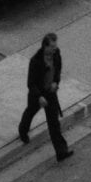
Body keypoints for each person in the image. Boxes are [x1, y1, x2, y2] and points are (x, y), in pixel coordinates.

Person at [19, 31, 71, 161]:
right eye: (52, 47)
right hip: (38, 95)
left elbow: (58, 69)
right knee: (30, 112)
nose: (54, 49)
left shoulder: (56, 54)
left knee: (54, 124)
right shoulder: (35, 61)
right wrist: (39, 97)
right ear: (45, 46)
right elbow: (30, 83)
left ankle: (61, 152)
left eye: (55, 46)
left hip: (50, 93)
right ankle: (23, 131)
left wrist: (55, 82)